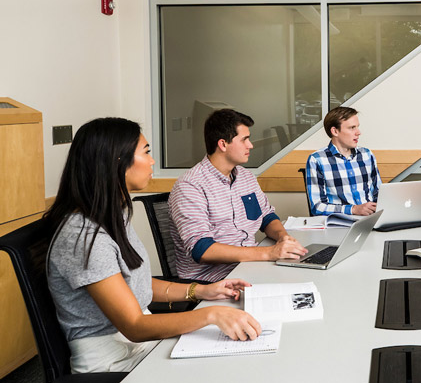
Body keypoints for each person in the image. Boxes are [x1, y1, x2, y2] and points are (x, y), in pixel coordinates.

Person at [46, 118, 262, 374]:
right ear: (117, 161)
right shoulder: (83, 235)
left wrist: (202, 292)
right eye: (146, 152)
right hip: (112, 362)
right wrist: (211, 315)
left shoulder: (113, 216)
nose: (152, 161)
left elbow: (134, 283)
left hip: (138, 346)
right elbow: (134, 326)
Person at [169, 109, 307, 282]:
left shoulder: (245, 177)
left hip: (249, 265)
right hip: (214, 279)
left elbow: (266, 216)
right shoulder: (190, 186)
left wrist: (282, 236)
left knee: (305, 273)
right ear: (223, 144)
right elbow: (201, 250)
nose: (251, 145)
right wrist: (269, 253)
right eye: (244, 139)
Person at [305, 106, 381, 216]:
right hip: (339, 225)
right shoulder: (317, 160)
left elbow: (379, 194)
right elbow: (317, 207)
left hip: (370, 219)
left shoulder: (367, 155)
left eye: (357, 127)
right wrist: (353, 209)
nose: (358, 132)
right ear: (335, 131)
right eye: (352, 128)